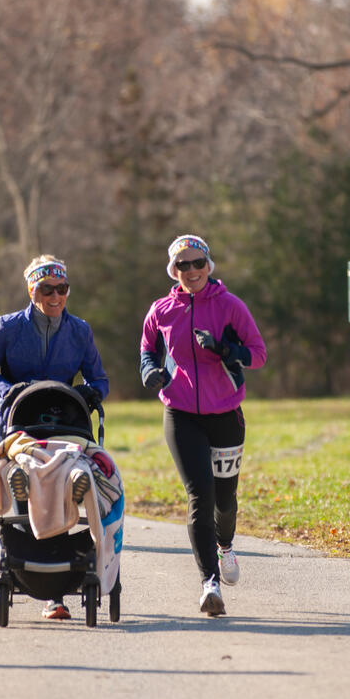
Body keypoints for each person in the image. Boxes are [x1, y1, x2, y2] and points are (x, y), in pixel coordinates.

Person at [0, 254, 110, 620]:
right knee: (28, 482)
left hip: (64, 423)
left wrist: (91, 393)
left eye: (62, 288)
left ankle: (56, 593)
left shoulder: (79, 330)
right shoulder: (7, 327)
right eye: (46, 288)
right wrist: (9, 389)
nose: (55, 296)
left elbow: (99, 379)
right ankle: (42, 581)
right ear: (31, 290)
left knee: (61, 482)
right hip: (19, 423)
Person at [140, 235, 266, 617]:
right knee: (200, 496)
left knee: (225, 502)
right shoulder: (161, 310)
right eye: (183, 266)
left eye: (197, 263)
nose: (191, 271)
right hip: (180, 414)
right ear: (173, 271)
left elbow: (258, 355)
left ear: (209, 266)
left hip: (226, 415)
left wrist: (226, 350)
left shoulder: (230, 306)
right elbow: (147, 348)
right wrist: (148, 370)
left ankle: (226, 545)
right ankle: (209, 583)